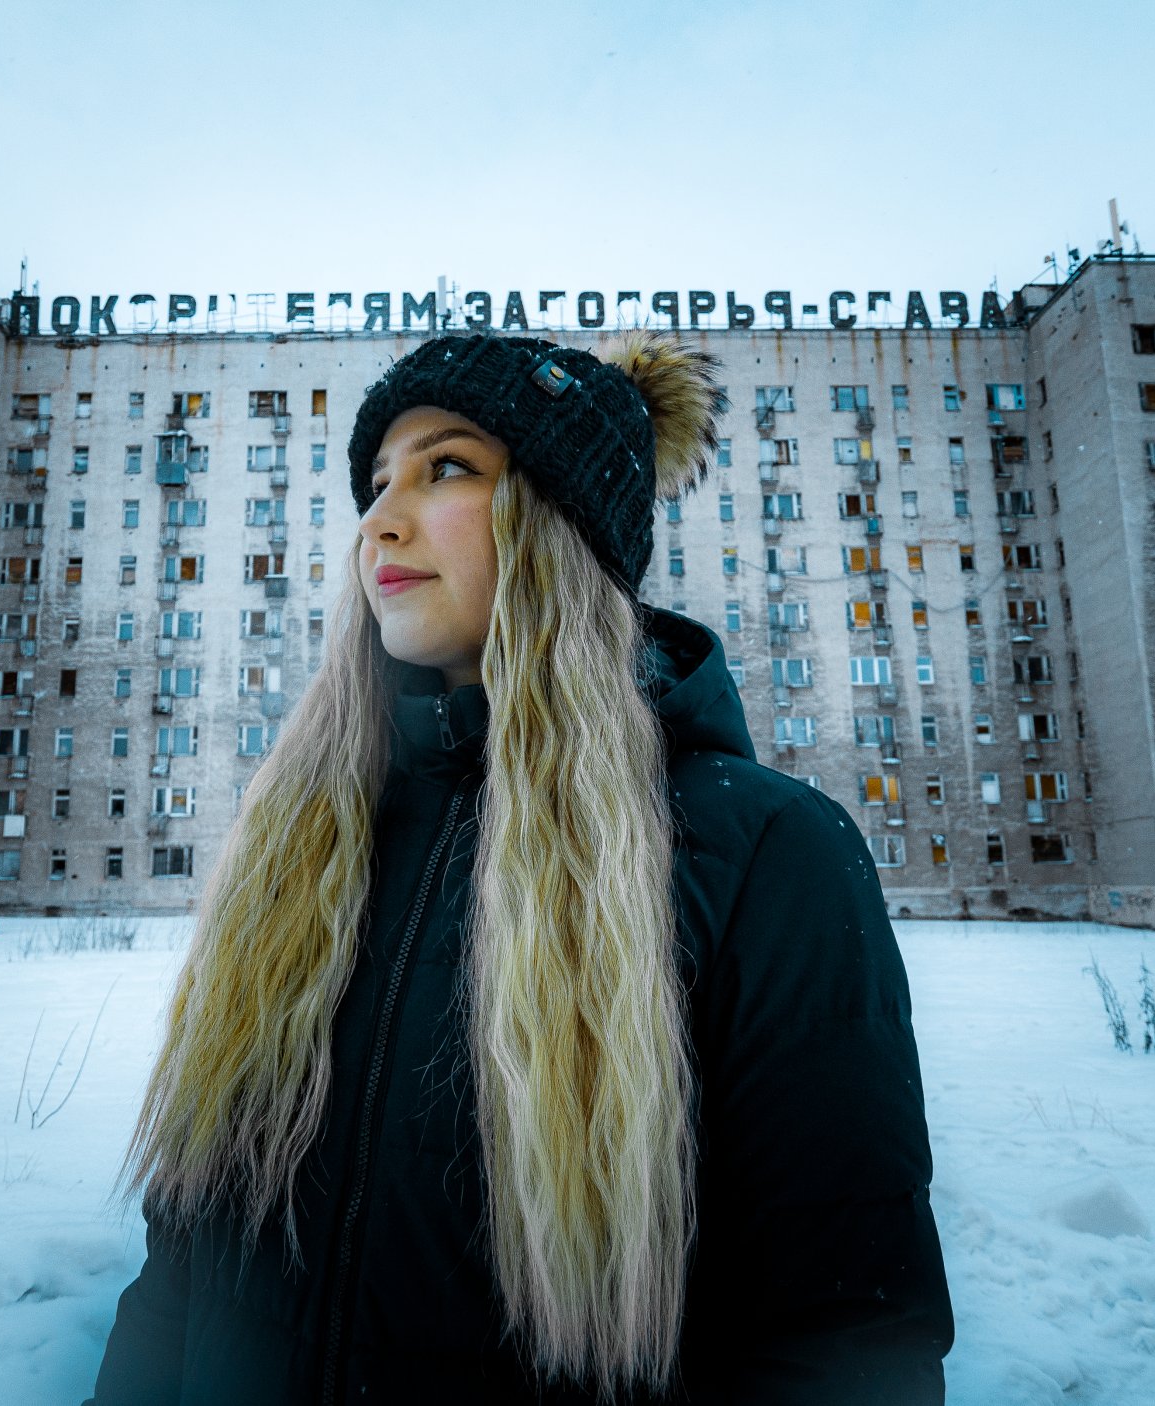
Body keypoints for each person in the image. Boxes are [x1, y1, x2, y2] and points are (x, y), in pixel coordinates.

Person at [87, 331, 953, 1404]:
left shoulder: (768, 857)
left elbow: (840, 1344)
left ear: (559, 521)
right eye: (376, 482)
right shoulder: (302, 848)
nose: (380, 521)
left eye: (447, 467)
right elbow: (180, 1272)